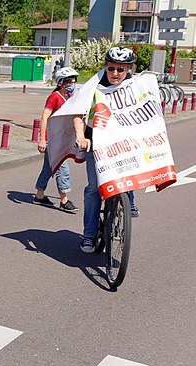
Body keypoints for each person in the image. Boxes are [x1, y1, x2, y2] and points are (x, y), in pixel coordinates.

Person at [73, 47, 140, 253]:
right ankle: (90, 235)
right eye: (111, 68)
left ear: (129, 69)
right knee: (94, 187)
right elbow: (78, 114)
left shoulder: (135, 87)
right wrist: (81, 136)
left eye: (121, 69)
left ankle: (128, 201)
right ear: (106, 67)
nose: (116, 73)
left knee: (128, 179)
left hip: (123, 143)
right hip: (97, 144)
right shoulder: (94, 87)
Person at [34, 67, 79, 213]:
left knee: (48, 167)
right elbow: (44, 117)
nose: (71, 84)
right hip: (52, 140)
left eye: (73, 81)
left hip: (60, 139)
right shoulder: (55, 97)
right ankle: (64, 200)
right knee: (61, 167)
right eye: (67, 81)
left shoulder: (69, 97)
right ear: (60, 83)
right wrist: (42, 139)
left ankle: (39, 196)